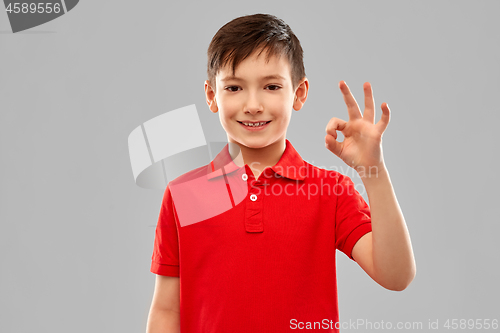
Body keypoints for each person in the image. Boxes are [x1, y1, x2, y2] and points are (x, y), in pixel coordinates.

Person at [146, 13, 416, 333]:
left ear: (299, 93)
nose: (253, 104)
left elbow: (397, 276)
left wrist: (374, 171)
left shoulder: (330, 190)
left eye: (271, 86)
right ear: (211, 95)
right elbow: (166, 310)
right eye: (234, 87)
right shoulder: (183, 195)